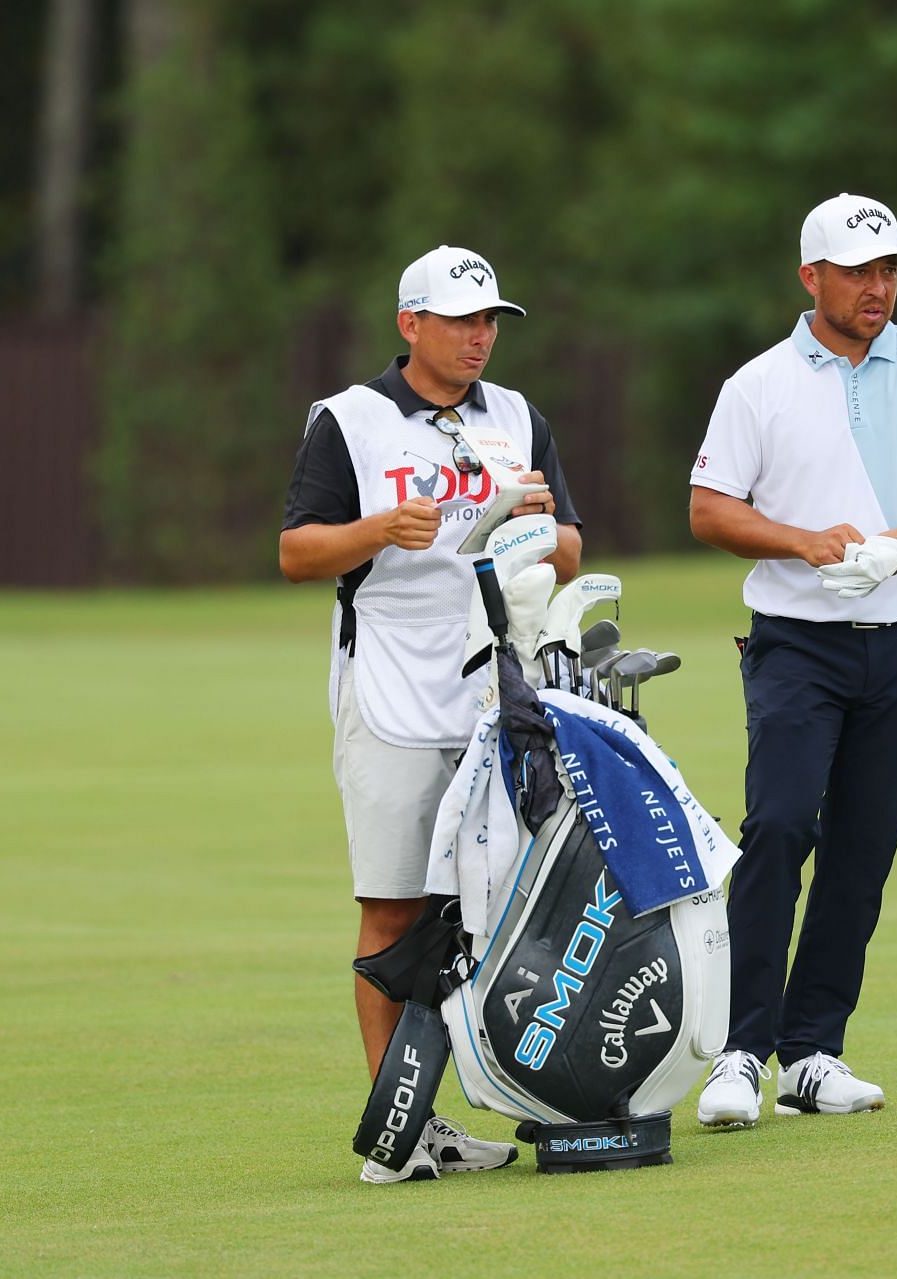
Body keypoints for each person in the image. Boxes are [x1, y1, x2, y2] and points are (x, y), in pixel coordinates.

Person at [688, 194, 897, 1126]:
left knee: (863, 850)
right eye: (859, 272)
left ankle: (812, 1051)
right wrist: (801, 541)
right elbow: (709, 510)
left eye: (889, 270)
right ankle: (740, 1051)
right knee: (781, 828)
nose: (879, 287)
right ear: (810, 277)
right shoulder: (761, 383)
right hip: (796, 647)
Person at [279, 245, 582, 1182]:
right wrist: (378, 529)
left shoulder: (519, 419)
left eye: (491, 320)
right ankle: (399, 1128)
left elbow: (569, 549)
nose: (480, 337)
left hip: (502, 692)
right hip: (392, 690)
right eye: (460, 321)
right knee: (393, 905)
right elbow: (296, 551)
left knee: (510, 910)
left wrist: (535, 528)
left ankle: (502, 1099)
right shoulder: (353, 422)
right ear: (411, 324)